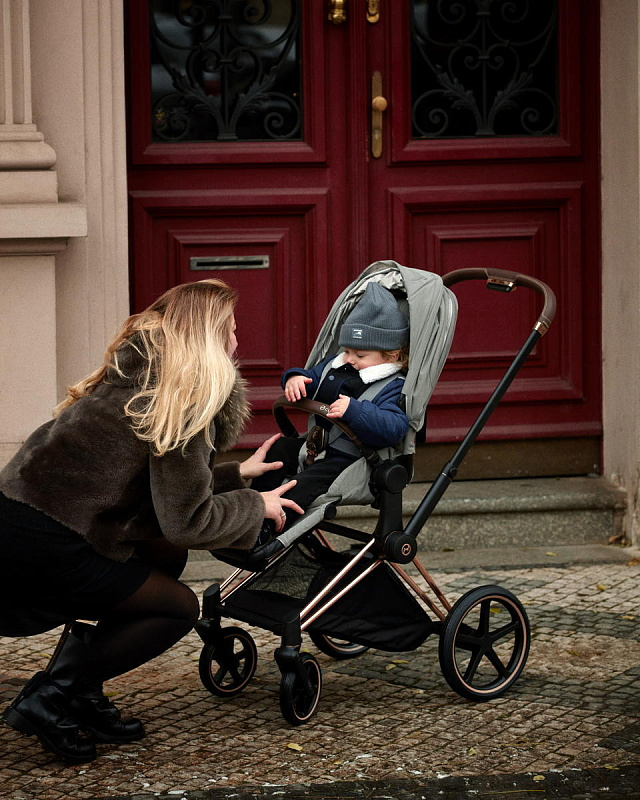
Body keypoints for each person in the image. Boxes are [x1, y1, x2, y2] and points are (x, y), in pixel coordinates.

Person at [0, 278, 303, 764]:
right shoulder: (183, 401)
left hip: (23, 521)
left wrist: (237, 475)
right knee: (177, 608)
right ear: (207, 337)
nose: (237, 340)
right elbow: (188, 520)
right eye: (230, 329)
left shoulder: (137, 376)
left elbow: (147, 484)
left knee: (164, 552)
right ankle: (51, 696)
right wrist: (254, 505)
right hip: (48, 541)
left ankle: (80, 692)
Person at [251, 281, 410, 535]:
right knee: (279, 450)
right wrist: (294, 379)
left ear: (391, 355)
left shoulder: (392, 386)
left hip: (352, 459)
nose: (350, 359)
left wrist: (356, 411)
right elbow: (311, 377)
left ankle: (267, 528)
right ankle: (250, 510)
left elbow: (394, 428)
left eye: (360, 355)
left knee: (302, 484)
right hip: (316, 447)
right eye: (347, 351)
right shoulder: (335, 366)